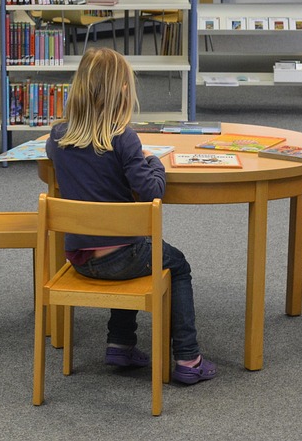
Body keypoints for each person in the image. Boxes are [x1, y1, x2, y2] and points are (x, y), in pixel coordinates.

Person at [45, 47, 216, 385]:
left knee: (136, 246)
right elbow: (152, 189)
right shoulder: (123, 138)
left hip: (79, 256)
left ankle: (121, 343)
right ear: (121, 92)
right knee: (174, 262)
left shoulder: (57, 138)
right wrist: (153, 162)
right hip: (121, 255)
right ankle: (187, 357)